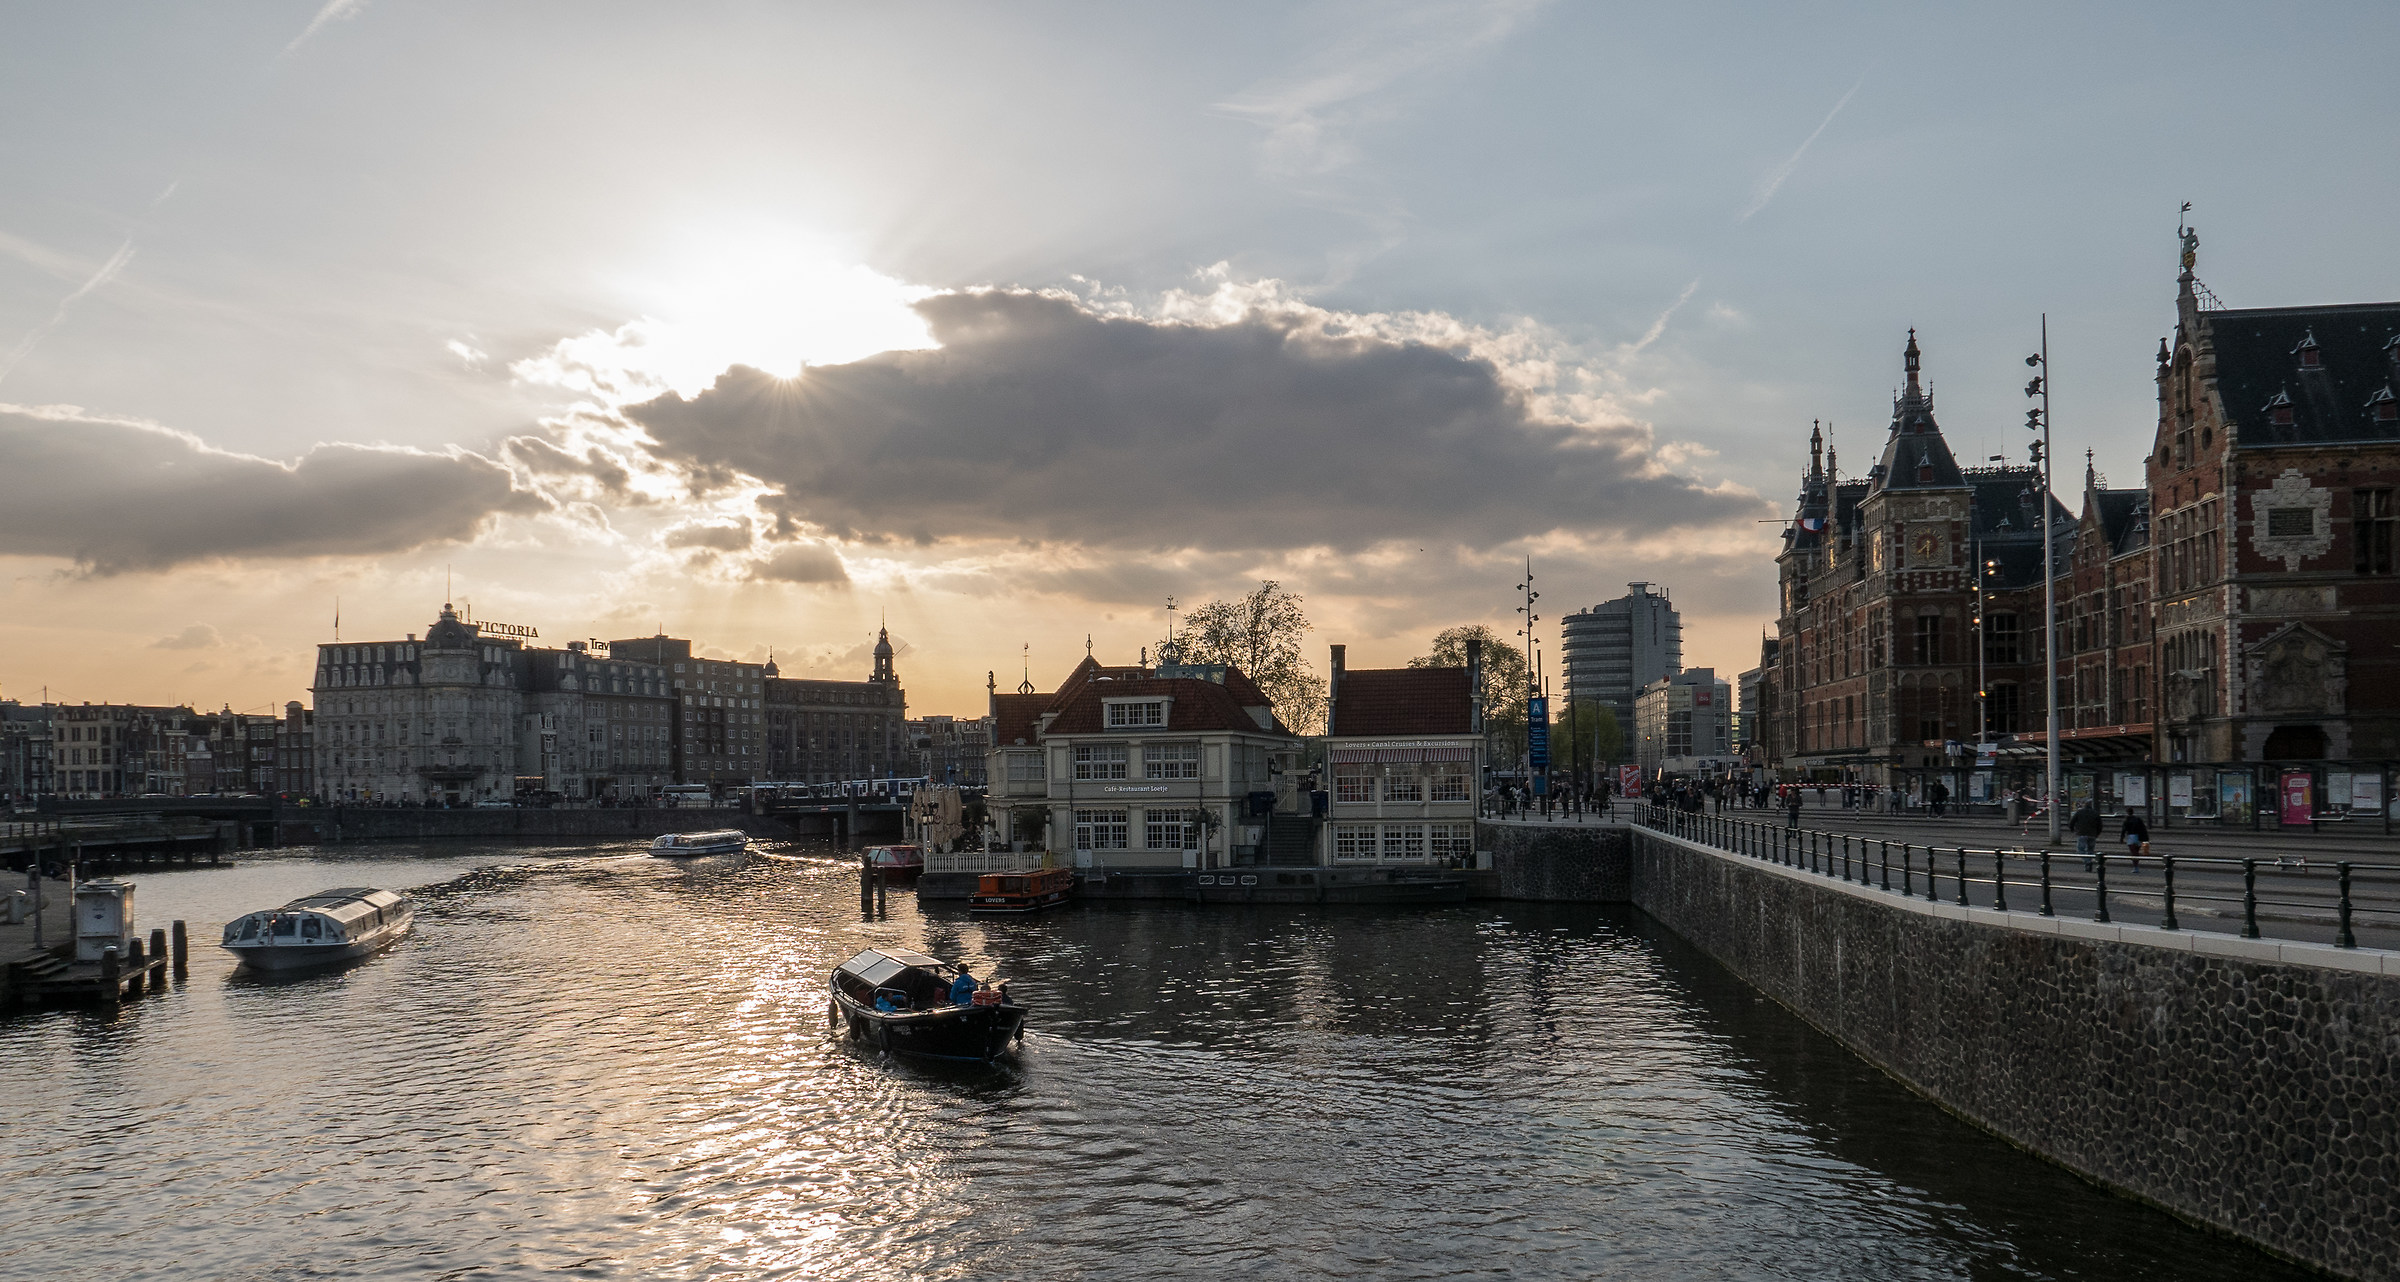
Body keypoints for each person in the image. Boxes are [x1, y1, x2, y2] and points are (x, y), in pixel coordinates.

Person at [2070, 800, 2103, 871]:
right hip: (2092, 834)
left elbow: (2072, 821)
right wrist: (2097, 833)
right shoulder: (2095, 813)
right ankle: (2088, 863)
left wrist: (2072, 829)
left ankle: (2087, 862)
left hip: (2081, 833)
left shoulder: (2079, 812)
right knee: (2090, 850)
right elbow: (2100, 825)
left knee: (2080, 849)